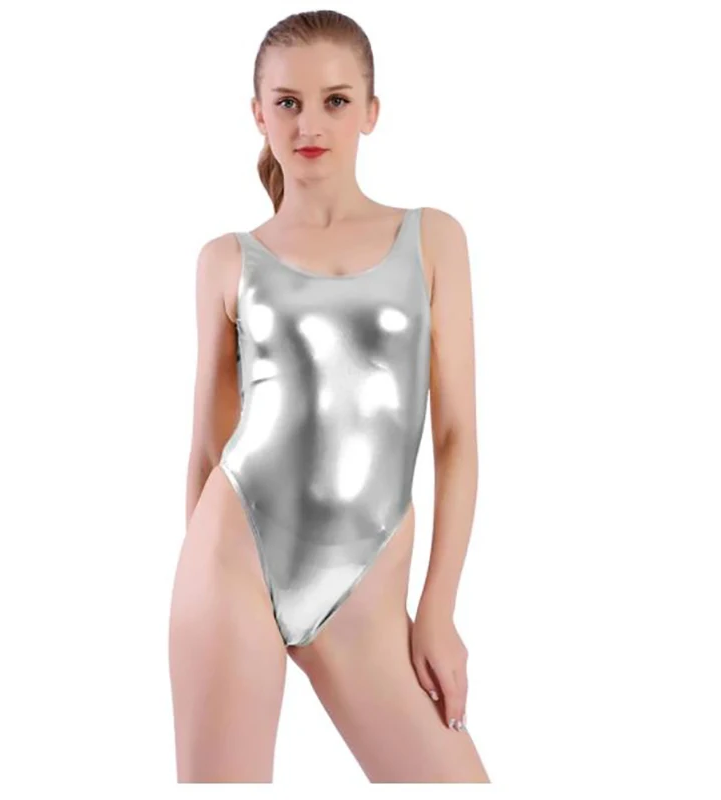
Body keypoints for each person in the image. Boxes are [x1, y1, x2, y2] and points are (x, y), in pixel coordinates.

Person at [168, 9, 489, 783]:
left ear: (371, 111)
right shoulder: (226, 260)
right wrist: (203, 598)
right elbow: (208, 445)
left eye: (335, 101)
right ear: (258, 113)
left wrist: (438, 609)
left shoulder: (433, 238)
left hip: (366, 587)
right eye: (287, 102)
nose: (309, 123)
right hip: (232, 560)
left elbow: (456, 437)